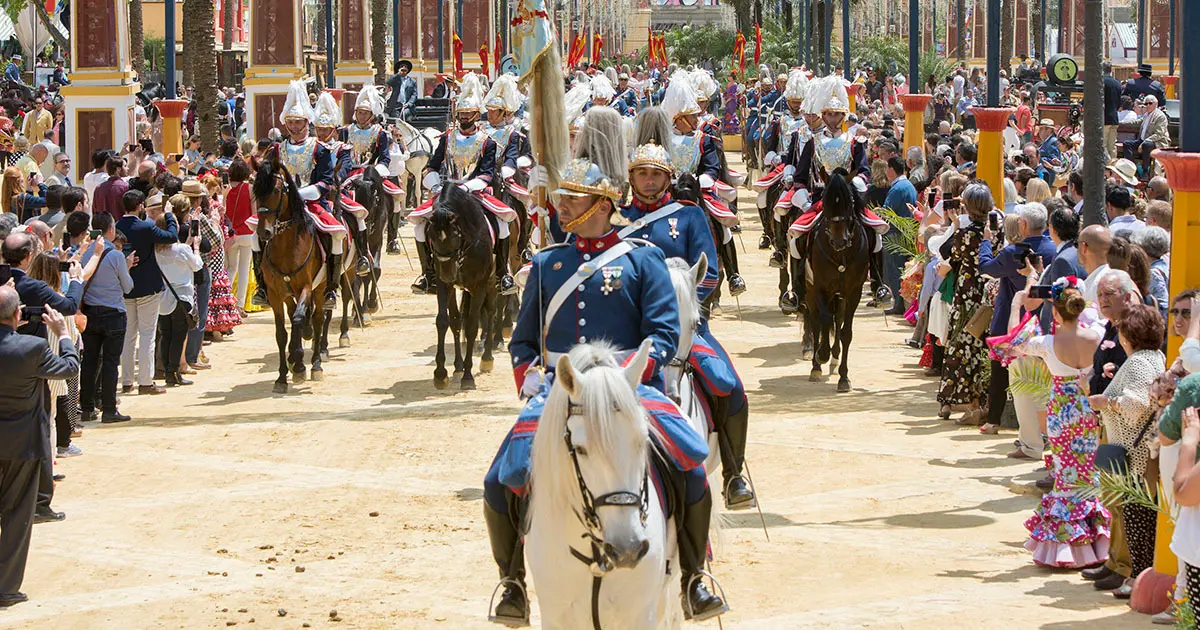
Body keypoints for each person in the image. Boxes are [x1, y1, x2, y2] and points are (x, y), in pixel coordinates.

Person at [485, 156, 724, 625]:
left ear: (600, 204)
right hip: (562, 391)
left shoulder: (643, 259)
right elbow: (523, 342)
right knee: (500, 478)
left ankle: (694, 576)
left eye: (571, 197)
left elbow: (661, 333)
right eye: (562, 196)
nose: (561, 205)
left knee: (691, 464)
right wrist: (530, 375)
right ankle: (512, 581)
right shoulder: (549, 262)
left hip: (627, 388)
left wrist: (629, 372)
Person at [620, 139, 754, 509]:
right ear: (631, 178)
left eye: (655, 175)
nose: (648, 182)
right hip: (627, 329)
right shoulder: (616, 217)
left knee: (730, 387)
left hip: (682, 326)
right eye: (642, 174)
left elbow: (708, 273)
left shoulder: (689, 215)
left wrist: (677, 296)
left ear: (667, 178)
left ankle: (733, 475)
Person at [990, 277, 1109, 568]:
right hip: (1088, 408)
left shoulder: (1048, 343)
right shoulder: (1096, 334)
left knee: (1065, 473)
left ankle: (1068, 547)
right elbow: (1104, 320)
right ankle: (1095, 543)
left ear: (1056, 312)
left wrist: (1019, 303)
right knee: (1088, 470)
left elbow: (1012, 343)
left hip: (1061, 411)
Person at [0, 285, 79, 607]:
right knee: (18, 515)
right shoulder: (31, 347)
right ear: (18, 315)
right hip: (23, 445)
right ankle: (5, 587)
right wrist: (62, 335)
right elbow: (69, 369)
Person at [411, 72, 518, 296]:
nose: (464, 117)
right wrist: (435, 186)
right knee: (420, 225)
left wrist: (469, 187)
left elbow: (488, 172)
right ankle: (428, 274)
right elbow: (432, 165)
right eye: (461, 113)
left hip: (475, 192)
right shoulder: (446, 138)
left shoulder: (487, 142)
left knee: (503, 222)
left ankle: (502, 274)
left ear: (476, 114)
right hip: (447, 192)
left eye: (468, 113)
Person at [1088, 304, 1166, 597]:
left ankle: (1136, 578)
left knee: (1135, 518)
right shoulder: (1154, 356)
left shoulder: (1138, 362)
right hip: (1139, 452)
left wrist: (1105, 402)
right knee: (1137, 517)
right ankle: (1131, 572)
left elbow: (1136, 405)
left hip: (1134, 456)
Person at [977, 202, 1056, 433]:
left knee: (1000, 371)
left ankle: (994, 420)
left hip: (1012, 320)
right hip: (1043, 321)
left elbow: (986, 267)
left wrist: (985, 240)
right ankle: (1040, 428)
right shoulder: (1053, 250)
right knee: (1042, 375)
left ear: (1023, 224)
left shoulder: (1013, 252)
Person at [276, 80, 351, 309]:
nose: (294, 126)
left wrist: (301, 193)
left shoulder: (319, 148)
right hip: (284, 205)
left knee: (336, 234)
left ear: (306, 122)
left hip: (314, 203)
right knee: (256, 232)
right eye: (290, 122)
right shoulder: (278, 149)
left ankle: (331, 287)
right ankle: (263, 284)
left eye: (298, 122)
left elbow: (327, 181)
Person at [936, 183, 991, 423]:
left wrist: (956, 225)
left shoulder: (965, 234)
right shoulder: (992, 232)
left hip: (966, 293)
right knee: (979, 347)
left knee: (958, 344)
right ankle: (977, 400)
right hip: (985, 294)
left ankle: (949, 401)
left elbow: (947, 251)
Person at [117, 189, 178, 395]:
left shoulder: (116, 227)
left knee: (128, 336)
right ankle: (144, 381)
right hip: (147, 287)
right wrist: (169, 214)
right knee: (147, 335)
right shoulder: (146, 227)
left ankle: (127, 381)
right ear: (140, 205)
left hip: (125, 287)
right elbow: (171, 236)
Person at [78, 212, 136, 423]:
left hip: (91, 312)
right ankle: (109, 408)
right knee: (111, 362)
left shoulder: (84, 254)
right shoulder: (116, 255)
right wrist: (127, 267)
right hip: (113, 314)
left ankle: (86, 407)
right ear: (110, 230)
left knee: (90, 361)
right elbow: (128, 287)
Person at [154, 211, 202, 387]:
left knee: (166, 335)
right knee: (178, 336)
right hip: (181, 297)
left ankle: (167, 371)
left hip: (163, 298)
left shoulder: (155, 251)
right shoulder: (182, 250)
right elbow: (197, 265)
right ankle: (173, 371)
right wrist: (195, 247)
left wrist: (188, 244)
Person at [881, 156, 916, 316]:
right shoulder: (907, 185)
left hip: (895, 234)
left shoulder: (897, 188)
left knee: (895, 270)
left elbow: (885, 211)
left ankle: (899, 303)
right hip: (906, 233)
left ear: (891, 170)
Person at [223, 158, 254, 312]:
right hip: (248, 233)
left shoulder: (225, 190)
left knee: (231, 268)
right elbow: (255, 213)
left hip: (230, 234)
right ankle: (240, 305)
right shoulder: (249, 189)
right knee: (244, 270)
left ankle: (224, 300)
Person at [1124, 95, 1169, 181]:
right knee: (1127, 144)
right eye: (1146, 104)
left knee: (1146, 145)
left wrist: (1146, 141)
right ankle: (1134, 170)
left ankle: (1145, 171)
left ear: (1156, 104)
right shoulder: (1146, 115)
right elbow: (1137, 122)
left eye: (1150, 103)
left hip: (1157, 142)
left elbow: (1159, 134)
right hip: (1143, 140)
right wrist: (1121, 122)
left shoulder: (1160, 116)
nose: (1147, 105)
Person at [92, 154, 129, 222]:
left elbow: (95, 210)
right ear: (118, 169)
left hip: (103, 227)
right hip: (121, 227)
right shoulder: (125, 187)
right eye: (125, 166)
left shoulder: (98, 188)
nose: (128, 168)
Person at [1102, 61, 1122, 159]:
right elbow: (1119, 103)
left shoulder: (1099, 82)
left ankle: (1108, 166)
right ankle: (1114, 166)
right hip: (1114, 118)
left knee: (1103, 145)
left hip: (1103, 119)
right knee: (1112, 146)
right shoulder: (1117, 84)